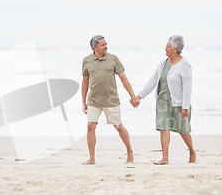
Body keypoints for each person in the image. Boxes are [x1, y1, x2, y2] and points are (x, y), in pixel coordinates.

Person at [131, 35, 197, 164]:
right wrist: (139, 97)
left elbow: (188, 88)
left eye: (168, 46)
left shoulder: (185, 65)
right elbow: (153, 80)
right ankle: (165, 158)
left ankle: (192, 151)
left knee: (182, 130)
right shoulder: (163, 63)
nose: (165, 48)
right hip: (163, 101)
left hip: (178, 102)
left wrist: (185, 107)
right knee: (164, 127)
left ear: (175, 49)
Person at [81, 35, 139, 165]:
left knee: (118, 126)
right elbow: (85, 82)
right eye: (102, 44)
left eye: (106, 44)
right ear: (94, 47)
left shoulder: (113, 59)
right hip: (93, 100)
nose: (106, 46)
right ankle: (91, 158)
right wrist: (83, 101)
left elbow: (124, 79)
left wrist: (133, 96)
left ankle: (130, 152)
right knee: (90, 126)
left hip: (111, 99)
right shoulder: (86, 61)